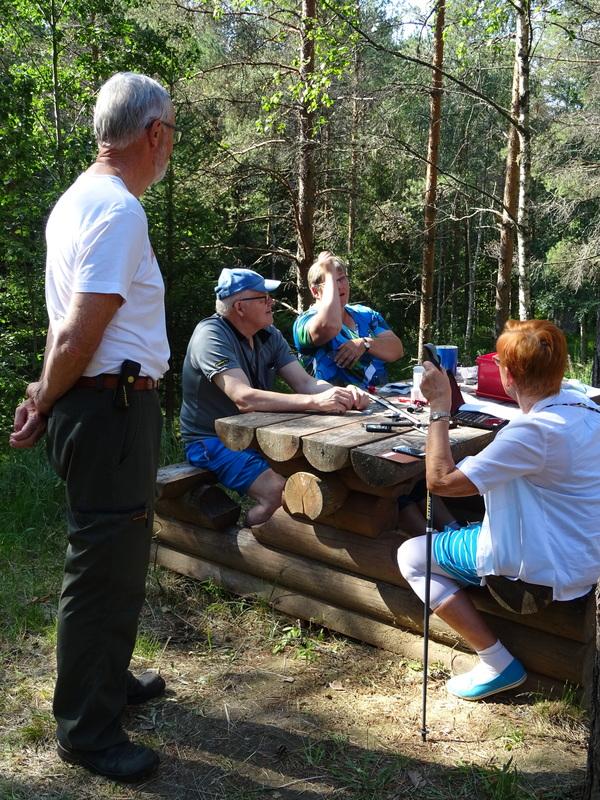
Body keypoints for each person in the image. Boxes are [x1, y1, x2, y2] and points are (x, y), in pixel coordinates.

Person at [9, 72, 177, 781]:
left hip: (103, 405)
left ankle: (107, 682)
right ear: (154, 134)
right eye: (172, 133)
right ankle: (87, 730)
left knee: (115, 560)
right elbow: (81, 331)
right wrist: (47, 397)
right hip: (111, 409)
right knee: (103, 568)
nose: (171, 145)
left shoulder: (76, 201)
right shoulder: (118, 209)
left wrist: (42, 396)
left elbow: (64, 326)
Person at [398, 320, 600, 701]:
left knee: (410, 556)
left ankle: (496, 662)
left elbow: (439, 481)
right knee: (466, 520)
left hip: (545, 568)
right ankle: (454, 537)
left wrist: (439, 407)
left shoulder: (533, 433)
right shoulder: (587, 409)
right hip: (584, 552)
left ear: (508, 376)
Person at [180, 267, 370, 525]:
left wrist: (343, 394)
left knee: (323, 479)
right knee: (280, 494)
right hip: (212, 441)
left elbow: (305, 382)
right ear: (240, 307)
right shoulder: (211, 335)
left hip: (257, 436)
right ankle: (244, 538)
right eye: (264, 298)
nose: (272, 302)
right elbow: (244, 398)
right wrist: (316, 402)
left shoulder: (269, 334)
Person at [292, 251, 404, 388]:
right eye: (333, 281)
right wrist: (328, 272)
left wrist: (365, 344)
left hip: (381, 397)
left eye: (342, 278)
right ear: (315, 292)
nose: (340, 286)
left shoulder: (365, 314)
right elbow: (330, 326)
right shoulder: (304, 323)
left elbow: (397, 349)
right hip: (331, 400)